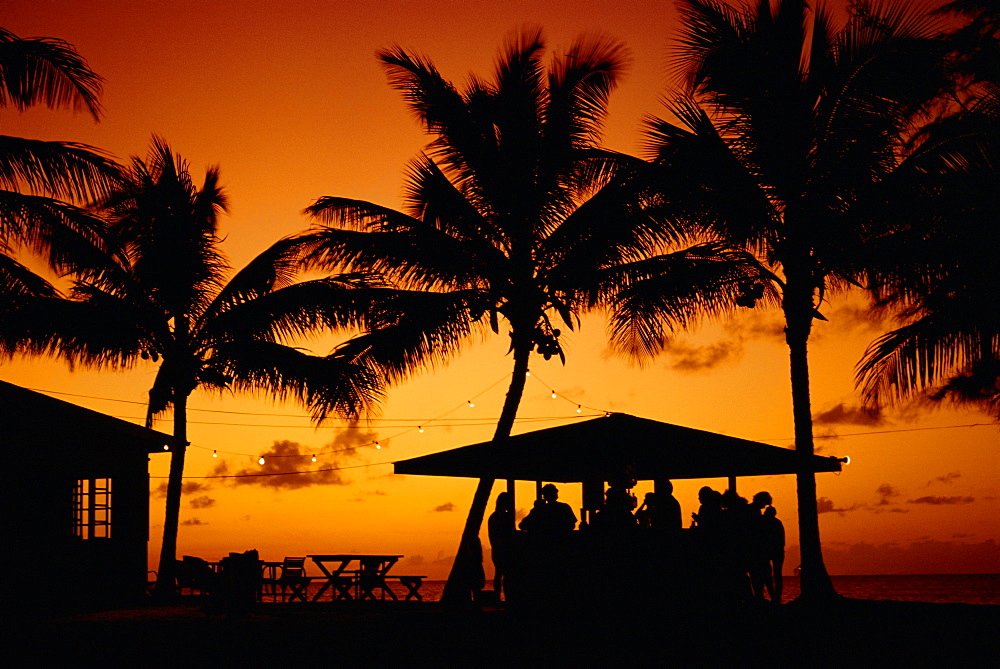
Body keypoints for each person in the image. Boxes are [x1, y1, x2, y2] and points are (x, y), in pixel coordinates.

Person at [487, 491, 514, 600]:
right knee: (505, 575)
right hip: (503, 549)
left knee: (499, 574)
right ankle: (506, 597)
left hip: (497, 549)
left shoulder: (493, 517)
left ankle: (498, 597)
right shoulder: (504, 517)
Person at [761, 505, 785, 603]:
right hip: (776, 551)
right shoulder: (777, 523)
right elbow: (782, 541)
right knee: (776, 574)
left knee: (769, 574)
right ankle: (775, 596)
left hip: (769, 551)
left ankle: (774, 595)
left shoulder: (763, 522)